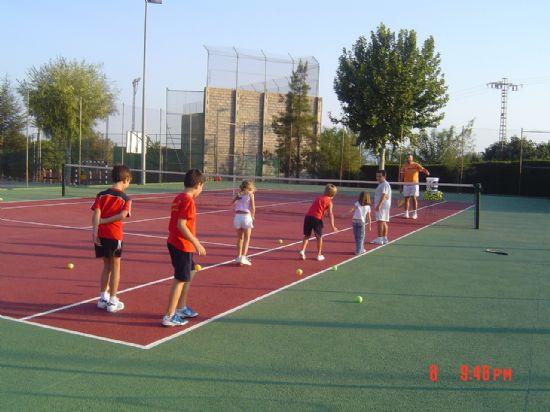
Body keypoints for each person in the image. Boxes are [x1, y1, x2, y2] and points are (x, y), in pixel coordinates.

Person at [162, 169, 207, 327]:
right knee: (180, 279)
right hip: (181, 245)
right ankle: (169, 315)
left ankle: (181, 307)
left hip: (175, 242)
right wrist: (196, 242)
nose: (201, 190)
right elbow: (181, 225)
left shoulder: (179, 198)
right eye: (202, 187)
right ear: (198, 185)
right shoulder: (188, 201)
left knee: (192, 270)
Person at [91, 165, 132, 313]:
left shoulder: (101, 195)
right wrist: (104, 222)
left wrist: (95, 233)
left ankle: (103, 298)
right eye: (129, 182)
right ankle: (113, 301)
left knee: (106, 266)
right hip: (114, 235)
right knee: (116, 267)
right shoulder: (125, 198)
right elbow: (122, 215)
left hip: (101, 235)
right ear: (125, 179)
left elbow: (96, 214)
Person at [299, 184, 338, 261]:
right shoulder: (329, 202)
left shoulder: (318, 198)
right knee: (319, 237)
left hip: (308, 217)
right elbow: (330, 214)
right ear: (333, 194)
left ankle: (303, 250)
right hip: (317, 219)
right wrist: (333, 226)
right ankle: (319, 255)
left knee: (307, 235)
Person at [232, 180, 256, 266]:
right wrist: (253, 216)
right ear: (250, 187)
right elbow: (253, 207)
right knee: (247, 238)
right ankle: (243, 257)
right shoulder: (251, 195)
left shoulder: (239, 194)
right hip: (246, 217)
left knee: (239, 238)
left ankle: (238, 257)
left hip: (237, 217)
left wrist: (237, 197)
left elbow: (232, 203)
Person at [399, 153, 430, 219]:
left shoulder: (416, 165)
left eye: (409, 158)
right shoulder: (404, 166)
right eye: (407, 158)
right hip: (406, 184)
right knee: (406, 199)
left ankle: (414, 213)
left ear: (412, 158)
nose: (408, 159)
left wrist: (426, 172)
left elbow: (423, 169)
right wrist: (401, 186)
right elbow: (401, 177)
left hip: (414, 184)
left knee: (414, 198)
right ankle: (406, 213)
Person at [370, 170, 391, 245]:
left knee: (380, 221)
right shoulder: (383, 184)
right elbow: (385, 195)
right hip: (384, 205)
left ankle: (379, 239)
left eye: (380, 176)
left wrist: (379, 205)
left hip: (382, 206)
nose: (378, 178)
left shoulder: (384, 184)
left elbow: (384, 195)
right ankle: (384, 238)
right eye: (377, 176)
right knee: (384, 221)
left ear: (384, 176)